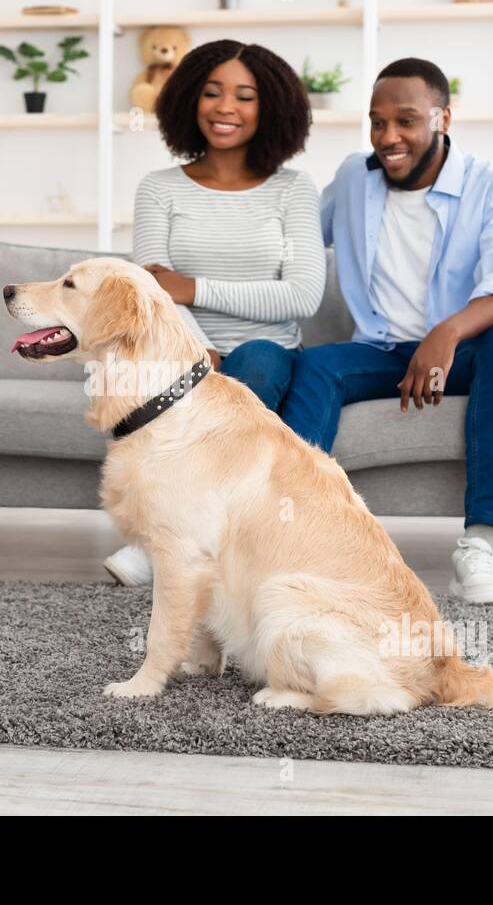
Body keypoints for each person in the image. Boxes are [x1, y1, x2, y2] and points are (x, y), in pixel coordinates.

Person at [277, 57, 493, 605]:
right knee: (316, 366)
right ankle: (291, 541)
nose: (388, 137)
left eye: (406, 121)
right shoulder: (354, 178)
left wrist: (445, 334)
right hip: (380, 350)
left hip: (463, 352)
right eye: (377, 122)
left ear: (443, 118)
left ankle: (479, 546)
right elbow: (297, 240)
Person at [103, 39, 326, 588]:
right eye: (212, 92)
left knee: (253, 363)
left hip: (268, 354)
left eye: (245, 96)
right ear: (188, 100)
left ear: (270, 107)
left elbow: (301, 295)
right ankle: (182, 538)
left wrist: (193, 287)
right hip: (182, 354)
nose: (226, 107)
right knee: (194, 380)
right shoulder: (159, 189)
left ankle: (167, 539)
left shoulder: (293, 191)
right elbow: (151, 295)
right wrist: (197, 349)